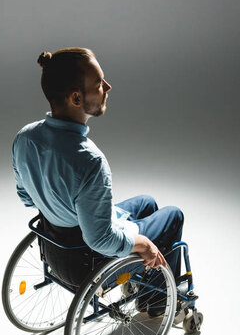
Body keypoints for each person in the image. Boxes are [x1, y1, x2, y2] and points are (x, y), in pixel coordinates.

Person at [12, 47, 184, 315]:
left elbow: (26, 197)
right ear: (76, 98)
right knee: (173, 215)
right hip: (86, 263)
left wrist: (57, 204)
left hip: (56, 250)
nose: (108, 86)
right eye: (98, 83)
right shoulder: (90, 160)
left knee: (147, 203)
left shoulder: (25, 138)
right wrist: (144, 244)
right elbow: (100, 239)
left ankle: (147, 285)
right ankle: (157, 304)